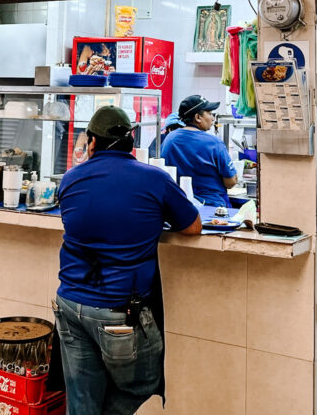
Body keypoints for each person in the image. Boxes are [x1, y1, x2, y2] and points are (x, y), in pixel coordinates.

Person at [54, 105, 201, 415]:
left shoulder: (70, 179)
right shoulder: (154, 179)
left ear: (91, 143)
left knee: (81, 400)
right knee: (145, 382)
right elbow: (192, 226)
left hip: (70, 305)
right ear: (131, 143)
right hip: (120, 312)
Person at [160, 95, 237, 206]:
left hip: (178, 205)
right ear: (197, 117)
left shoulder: (170, 138)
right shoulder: (214, 142)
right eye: (210, 113)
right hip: (211, 207)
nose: (213, 118)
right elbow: (231, 182)